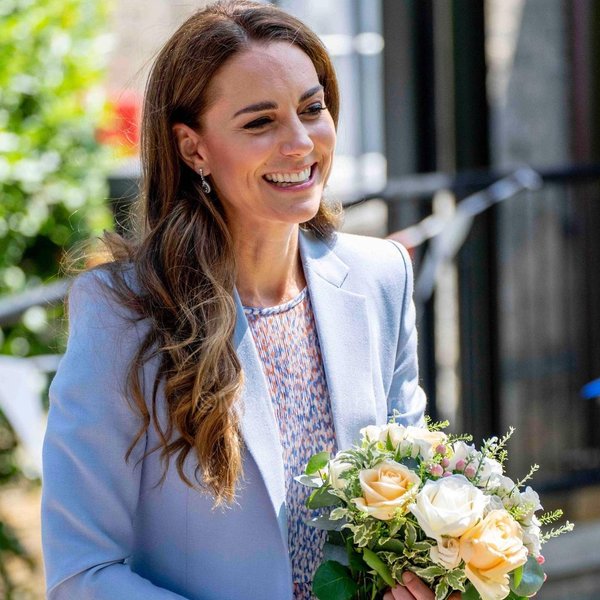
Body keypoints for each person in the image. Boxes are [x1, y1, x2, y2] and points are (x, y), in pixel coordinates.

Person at [42, 1, 452, 599]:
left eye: (312, 109)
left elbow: (409, 515)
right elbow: (81, 573)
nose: (300, 143)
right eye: (260, 122)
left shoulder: (381, 277)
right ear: (193, 148)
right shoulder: (121, 313)